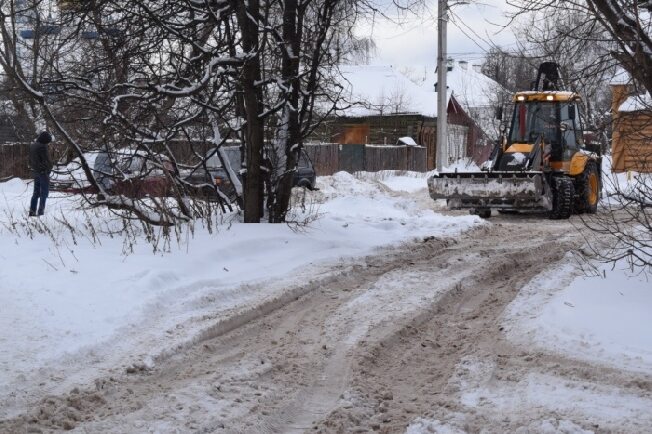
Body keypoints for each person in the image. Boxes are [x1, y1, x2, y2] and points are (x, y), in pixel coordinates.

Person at [28, 131, 54, 216]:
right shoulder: (43, 147)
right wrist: (50, 167)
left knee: (36, 193)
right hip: (43, 173)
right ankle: (41, 212)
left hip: (36, 172)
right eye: (47, 142)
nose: (48, 144)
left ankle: (32, 212)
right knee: (44, 193)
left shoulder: (32, 146)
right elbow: (47, 160)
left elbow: (30, 160)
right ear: (45, 140)